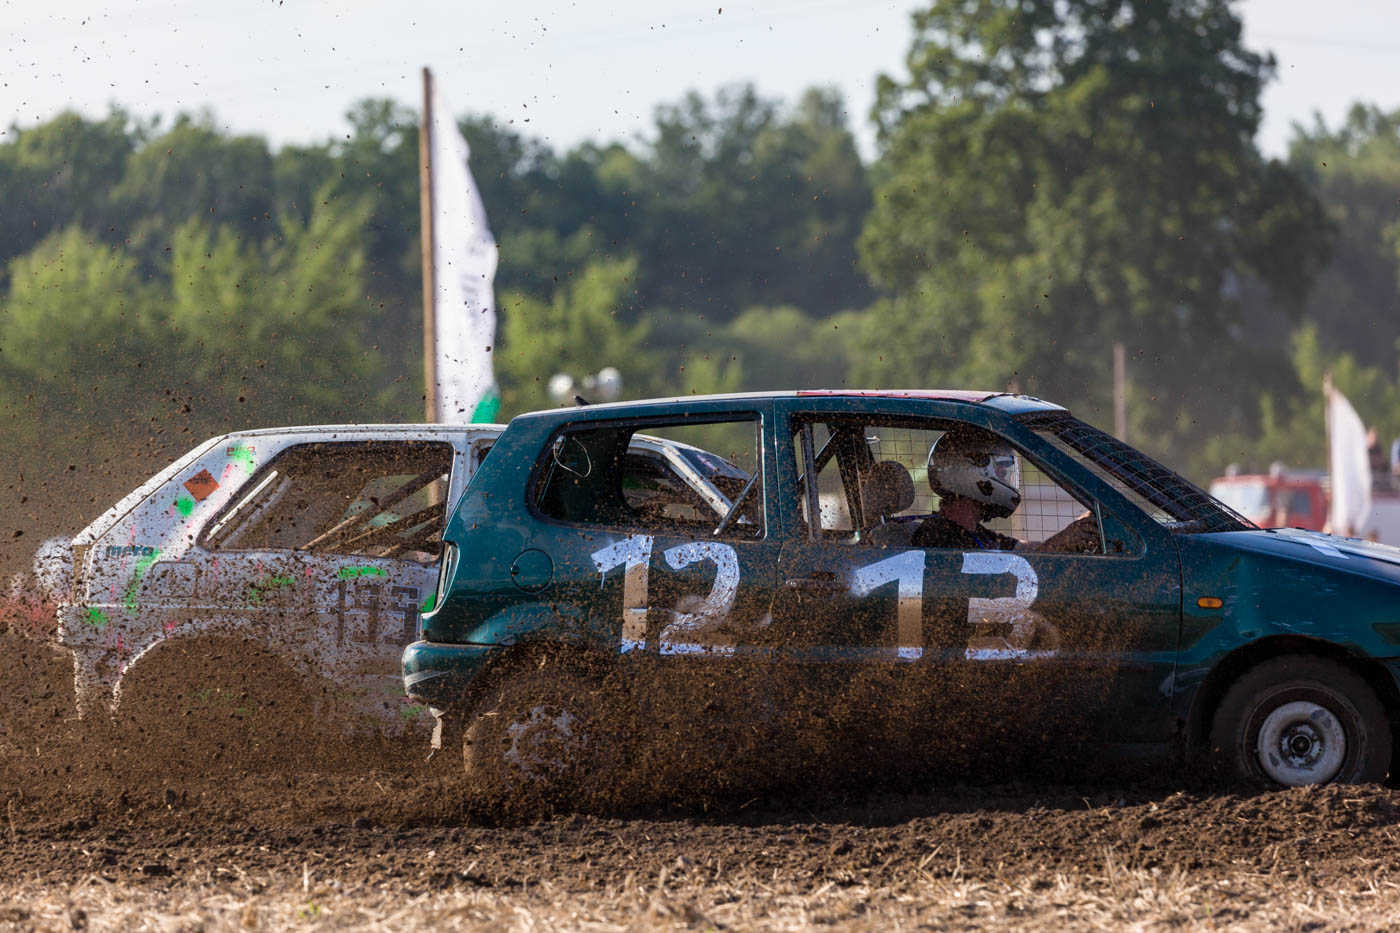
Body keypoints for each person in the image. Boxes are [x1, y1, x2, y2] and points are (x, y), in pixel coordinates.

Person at [911, 428, 1099, 553]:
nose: (1004, 474)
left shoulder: (975, 533)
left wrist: (1075, 532)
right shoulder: (938, 537)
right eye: (999, 467)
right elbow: (1009, 578)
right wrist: (1063, 540)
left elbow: (1025, 552)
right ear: (971, 469)